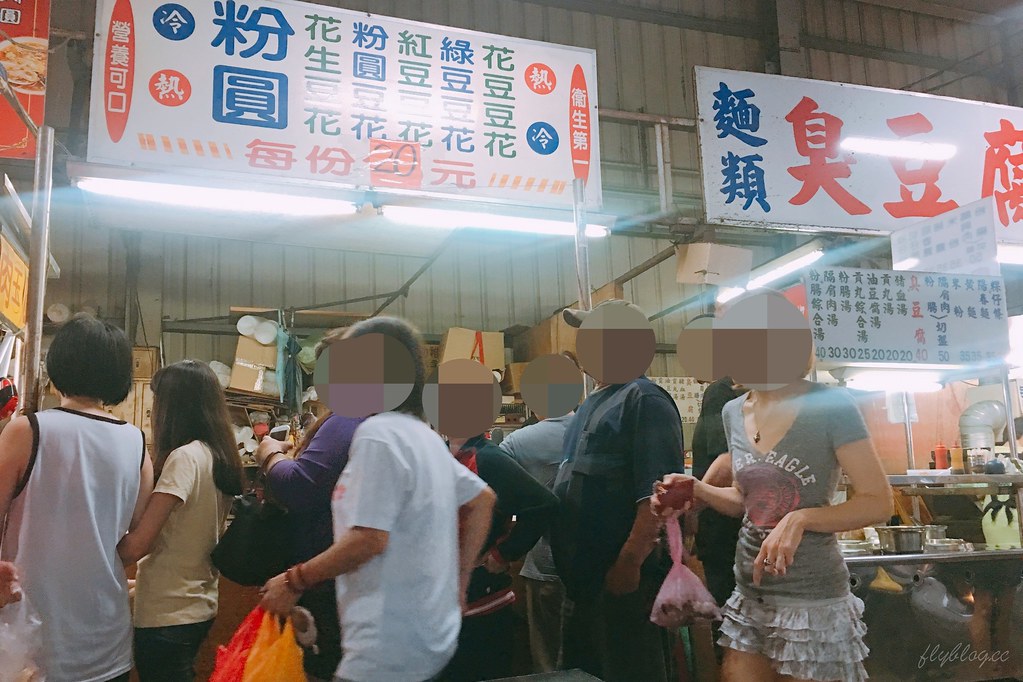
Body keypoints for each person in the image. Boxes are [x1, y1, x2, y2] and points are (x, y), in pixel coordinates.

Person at [259, 316, 497, 682]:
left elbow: (369, 539)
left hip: (386, 646)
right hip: (429, 635)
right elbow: (483, 499)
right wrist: (458, 583)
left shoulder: (377, 434)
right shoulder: (421, 433)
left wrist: (294, 580)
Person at [655, 378, 893, 682]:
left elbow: (878, 502)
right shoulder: (733, 411)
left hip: (811, 601)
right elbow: (744, 498)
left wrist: (801, 519)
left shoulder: (831, 404)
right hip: (750, 597)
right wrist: (698, 489)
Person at [0, 314, 153, 682]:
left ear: (58, 366)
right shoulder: (137, 443)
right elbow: (133, 525)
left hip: (32, 642)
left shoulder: (27, 430)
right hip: (106, 638)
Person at [551, 301, 685, 682]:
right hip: (583, 583)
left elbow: (657, 497)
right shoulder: (592, 403)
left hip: (622, 582)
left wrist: (629, 563)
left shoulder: (645, 399)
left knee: (631, 669)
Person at [116, 360, 244, 682]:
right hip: (197, 605)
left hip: (166, 613)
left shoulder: (184, 458)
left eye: (157, 401)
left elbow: (138, 545)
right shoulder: (216, 454)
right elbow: (182, 539)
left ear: (173, 407)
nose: (153, 411)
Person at [254, 328, 366, 681]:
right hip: (348, 579)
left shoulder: (347, 419)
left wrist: (270, 453)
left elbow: (298, 486)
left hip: (334, 580)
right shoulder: (380, 419)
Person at [440, 433, 559, 681]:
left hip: (482, 601)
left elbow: (542, 503)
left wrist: (503, 553)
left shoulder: (488, 458)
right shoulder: (441, 453)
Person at [498, 409, 575, 673]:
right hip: (593, 566)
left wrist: (504, 550)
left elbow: (497, 498)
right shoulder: (593, 429)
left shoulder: (518, 442)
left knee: (547, 660)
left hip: (544, 563)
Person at [691, 374, 747, 641]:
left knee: (733, 635)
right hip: (747, 532)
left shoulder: (720, 393)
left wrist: (692, 508)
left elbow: (727, 463)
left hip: (727, 536)